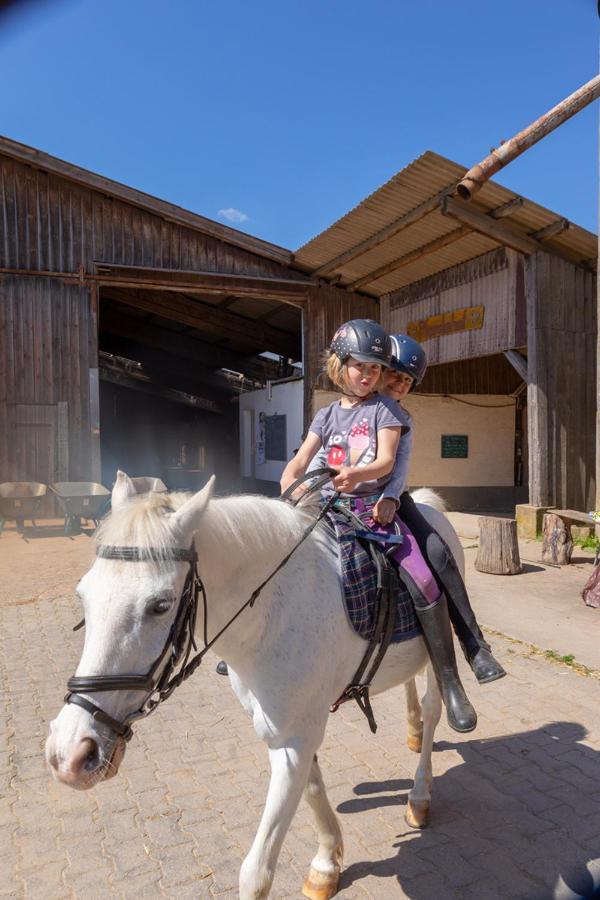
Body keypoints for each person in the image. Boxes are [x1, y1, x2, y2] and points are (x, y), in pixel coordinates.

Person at [281, 319, 477, 734]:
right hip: (330, 502)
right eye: (363, 368)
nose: (371, 376)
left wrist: (365, 478)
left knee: (424, 577)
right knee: (280, 552)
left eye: (376, 369)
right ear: (342, 366)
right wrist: (292, 476)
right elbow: (307, 457)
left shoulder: (387, 411)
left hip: (375, 507)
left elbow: (389, 462)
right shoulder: (327, 414)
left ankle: (451, 679)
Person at [374, 333, 506, 686]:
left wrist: (389, 496)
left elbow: (399, 468)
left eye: (407, 380)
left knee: (438, 553)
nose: (400, 384)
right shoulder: (354, 408)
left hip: (391, 499)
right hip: (343, 497)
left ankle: (475, 646)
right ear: (380, 370)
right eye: (396, 374)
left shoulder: (404, 418)